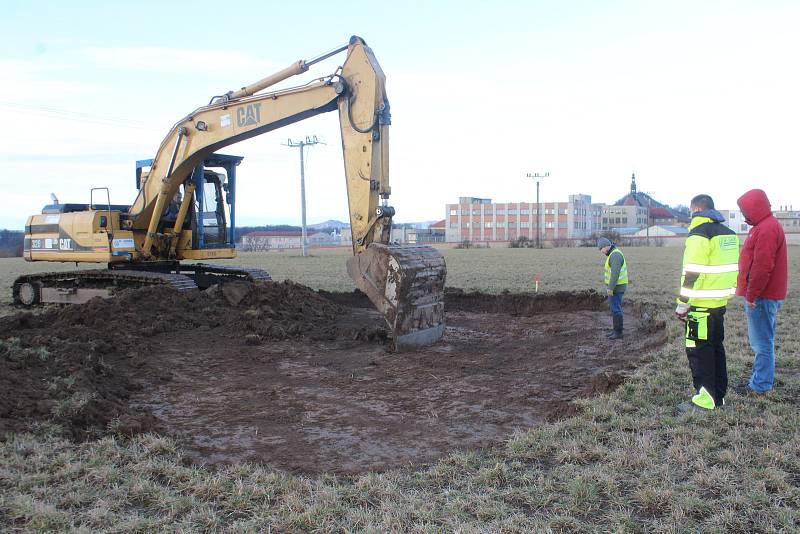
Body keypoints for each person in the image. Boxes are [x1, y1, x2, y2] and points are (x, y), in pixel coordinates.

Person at [675, 194, 739, 412]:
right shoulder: (729, 234)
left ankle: (704, 400)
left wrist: (683, 303)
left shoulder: (698, 234)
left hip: (700, 306)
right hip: (719, 304)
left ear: (695, 209)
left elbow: (692, 272)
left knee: (700, 352)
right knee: (715, 349)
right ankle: (718, 397)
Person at [733, 189, 788, 395]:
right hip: (765, 295)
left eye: (744, 210)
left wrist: (751, 294)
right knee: (764, 340)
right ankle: (760, 380)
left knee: (762, 342)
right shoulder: (764, 226)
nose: (743, 214)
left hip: (762, 296)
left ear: (755, 207)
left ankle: (760, 386)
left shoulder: (766, 229)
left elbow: (762, 266)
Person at [597, 237, 627, 340]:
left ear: (605, 246)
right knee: (614, 309)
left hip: (616, 288)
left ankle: (618, 332)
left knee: (616, 309)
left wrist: (610, 288)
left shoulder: (615, 255)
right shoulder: (613, 254)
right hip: (616, 287)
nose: (601, 251)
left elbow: (615, 274)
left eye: (601, 249)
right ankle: (616, 330)